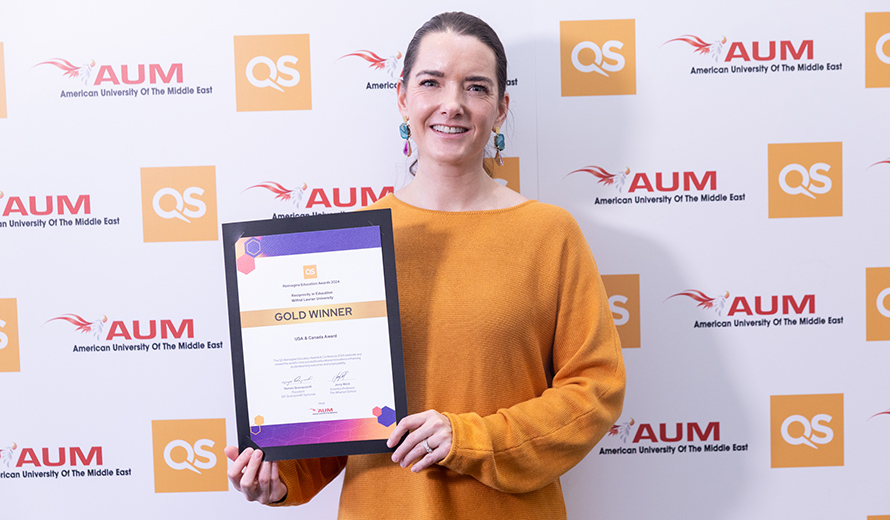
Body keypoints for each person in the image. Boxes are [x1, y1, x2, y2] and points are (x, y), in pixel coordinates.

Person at [225, 12, 625, 519]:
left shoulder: (549, 234)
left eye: (475, 87)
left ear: (501, 109)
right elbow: (333, 414)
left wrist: (470, 438)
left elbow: (596, 389)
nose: (451, 105)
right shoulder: (346, 248)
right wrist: (279, 476)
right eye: (431, 82)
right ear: (403, 98)